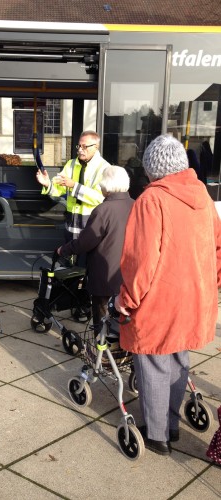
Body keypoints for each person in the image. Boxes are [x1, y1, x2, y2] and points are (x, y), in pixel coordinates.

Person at [114, 134, 221, 456]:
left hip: (161, 301)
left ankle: (157, 434)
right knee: (179, 361)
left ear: (152, 170)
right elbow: (217, 247)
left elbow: (139, 260)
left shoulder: (152, 200)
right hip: (196, 299)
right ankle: (172, 425)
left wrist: (126, 300)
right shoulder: (201, 194)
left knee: (154, 365)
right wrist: (211, 285)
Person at [57, 166, 134, 327]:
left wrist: (63, 250)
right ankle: (121, 350)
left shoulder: (103, 210)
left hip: (104, 278)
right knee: (124, 322)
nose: (100, 186)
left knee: (103, 319)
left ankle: (100, 350)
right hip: (129, 276)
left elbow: (85, 242)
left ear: (107, 185)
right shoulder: (137, 205)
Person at [36, 131, 110, 246]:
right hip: (72, 218)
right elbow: (59, 188)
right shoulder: (71, 164)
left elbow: (99, 198)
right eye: (79, 146)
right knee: (70, 252)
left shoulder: (104, 167)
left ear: (96, 147)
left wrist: (74, 186)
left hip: (91, 219)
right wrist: (47, 184)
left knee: (87, 256)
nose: (80, 150)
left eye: (85, 146)